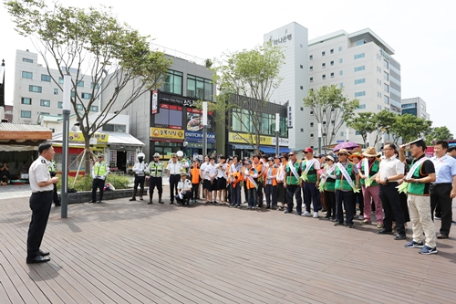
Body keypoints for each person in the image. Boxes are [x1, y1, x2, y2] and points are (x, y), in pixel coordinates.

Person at [399, 139, 437, 254]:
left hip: (422, 194)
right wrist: (401, 151)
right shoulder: (414, 161)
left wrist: (415, 180)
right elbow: (402, 160)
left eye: (412, 147)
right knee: (415, 219)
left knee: (425, 220)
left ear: (420, 148)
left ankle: (431, 245)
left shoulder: (427, 162)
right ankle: (417, 240)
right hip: (411, 193)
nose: (410, 150)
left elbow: (432, 178)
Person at [26, 142, 59, 264]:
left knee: (38, 226)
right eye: (52, 150)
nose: (54, 152)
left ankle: (35, 249)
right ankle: (32, 255)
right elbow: (41, 183)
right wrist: (53, 180)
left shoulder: (42, 164)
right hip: (41, 197)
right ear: (45, 152)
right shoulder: (40, 165)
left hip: (42, 197)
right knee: (37, 227)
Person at [376, 143, 406, 239]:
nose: (384, 151)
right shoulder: (382, 161)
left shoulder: (398, 162)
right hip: (382, 186)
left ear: (393, 150)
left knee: (396, 209)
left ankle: (401, 231)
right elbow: (380, 172)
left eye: (386, 149)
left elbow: (401, 175)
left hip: (392, 186)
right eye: (383, 149)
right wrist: (377, 178)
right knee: (386, 208)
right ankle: (387, 227)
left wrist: (387, 179)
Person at [430, 141, 456, 239]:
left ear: (445, 149)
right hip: (432, 186)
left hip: (445, 186)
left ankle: (444, 231)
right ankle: (429, 229)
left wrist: (454, 190)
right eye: (435, 148)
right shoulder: (431, 160)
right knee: (429, 209)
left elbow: (455, 176)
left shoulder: (451, 161)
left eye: (438, 148)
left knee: (446, 210)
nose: (435, 150)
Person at [334, 149, 359, 228]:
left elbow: (357, 174)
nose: (339, 156)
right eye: (339, 155)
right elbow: (335, 175)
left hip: (348, 187)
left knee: (348, 205)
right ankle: (339, 220)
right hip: (338, 187)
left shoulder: (352, 165)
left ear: (346, 156)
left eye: (341, 155)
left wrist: (357, 184)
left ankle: (349, 221)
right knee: (338, 205)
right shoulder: (337, 165)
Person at [359, 147, 383, 227]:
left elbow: (382, 171)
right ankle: (367, 218)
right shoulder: (362, 161)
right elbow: (359, 169)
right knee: (366, 202)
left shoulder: (379, 161)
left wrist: (377, 177)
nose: (368, 157)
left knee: (377, 203)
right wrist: (361, 175)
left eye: (370, 156)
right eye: (367, 155)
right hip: (364, 184)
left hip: (375, 184)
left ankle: (379, 220)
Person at [300, 147, 320, 218]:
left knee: (314, 196)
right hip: (306, 181)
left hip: (313, 181)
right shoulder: (304, 161)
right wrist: (301, 180)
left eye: (306, 152)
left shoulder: (315, 161)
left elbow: (318, 171)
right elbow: (302, 171)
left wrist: (317, 181)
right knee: (306, 196)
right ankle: (307, 210)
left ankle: (315, 211)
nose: (305, 154)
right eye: (304, 152)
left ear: (311, 153)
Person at [284, 151, 303, 215]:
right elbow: (286, 173)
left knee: (298, 198)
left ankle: (299, 210)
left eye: (292, 155)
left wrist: (301, 181)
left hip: (296, 183)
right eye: (289, 155)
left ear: (295, 155)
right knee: (289, 197)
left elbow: (302, 172)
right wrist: (285, 181)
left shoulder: (299, 162)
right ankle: (289, 208)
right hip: (289, 183)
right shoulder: (287, 163)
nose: (290, 156)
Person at [321, 155, 336, 221]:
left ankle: (334, 215)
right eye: (326, 160)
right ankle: (328, 214)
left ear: (332, 160)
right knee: (327, 201)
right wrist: (322, 175)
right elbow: (323, 173)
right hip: (326, 185)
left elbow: (336, 176)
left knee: (333, 201)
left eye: (328, 160)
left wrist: (328, 175)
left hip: (332, 186)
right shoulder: (326, 166)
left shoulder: (335, 166)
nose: (327, 161)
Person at [349, 152, 364, 220]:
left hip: (360, 184)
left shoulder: (361, 165)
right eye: (353, 158)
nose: (354, 159)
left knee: (361, 199)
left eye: (355, 157)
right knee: (352, 199)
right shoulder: (351, 165)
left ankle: (362, 213)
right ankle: (353, 212)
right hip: (352, 184)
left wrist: (358, 184)